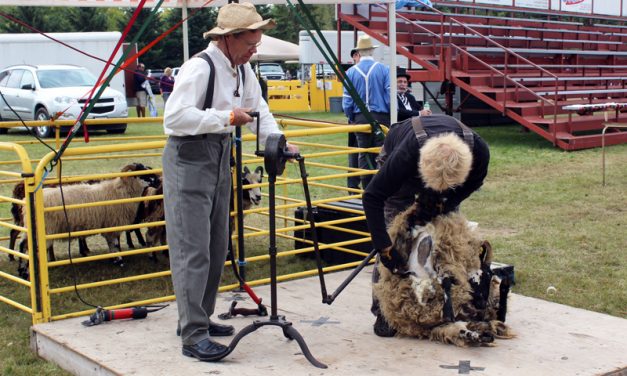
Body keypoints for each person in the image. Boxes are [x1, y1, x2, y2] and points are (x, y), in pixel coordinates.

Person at [161, 2, 298, 362]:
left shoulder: (241, 69)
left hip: (219, 155)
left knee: (218, 243)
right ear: (229, 38)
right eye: (251, 42)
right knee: (194, 248)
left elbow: (259, 110)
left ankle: (198, 319)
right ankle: (192, 335)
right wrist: (225, 117)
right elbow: (174, 118)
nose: (256, 49)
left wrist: (278, 142)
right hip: (189, 157)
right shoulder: (199, 67)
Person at [362, 114, 490, 337]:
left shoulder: (479, 152)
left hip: (451, 184)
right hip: (405, 174)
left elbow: (474, 183)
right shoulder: (406, 155)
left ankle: (451, 301)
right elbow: (372, 197)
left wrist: (447, 202)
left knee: (447, 238)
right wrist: (385, 248)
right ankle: (384, 311)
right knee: (396, 235)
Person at [342, 35, 391, 189]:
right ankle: (381, 185)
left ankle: (366, 186)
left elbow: (347, 102)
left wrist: (352, 116)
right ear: (372, 51)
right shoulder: (384, 69)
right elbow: (389, 97)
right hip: (381, 117)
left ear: (359, 52)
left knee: (363, 152)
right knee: (381, 152)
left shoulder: (350, 73)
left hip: (360, 118)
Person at [346, 48, 361, 192]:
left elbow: (347, 101)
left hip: (357, 118)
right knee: (355, 152)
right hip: (357, 118)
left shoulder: (351, 73)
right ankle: (353, 186)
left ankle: (354, 187)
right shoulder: (352, 73)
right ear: (355, 56)